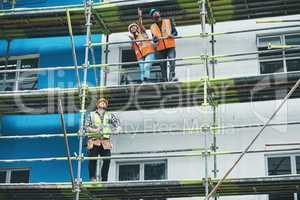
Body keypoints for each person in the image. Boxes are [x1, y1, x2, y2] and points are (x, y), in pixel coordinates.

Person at [85, 98, 121, 182]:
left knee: (107, 159)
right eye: (101, 102)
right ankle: (92, 178)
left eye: (105, 103)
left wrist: (117, 130)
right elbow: (86, 126)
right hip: (94, 140)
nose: (103, 104)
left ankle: (104, 179)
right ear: (97, 105)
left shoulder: (109, 115)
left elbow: (117, 124)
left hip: (105, 141)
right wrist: (94, 130)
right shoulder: (91, 115)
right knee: (93, 159)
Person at [149, 8, 178, 82]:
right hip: (160, 48)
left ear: (159, 13)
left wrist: (172, 35)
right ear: (152, 17)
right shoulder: (152, 27)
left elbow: (175, 33)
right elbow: (154, 39)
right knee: (162, 64)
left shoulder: (168, 21)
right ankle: (165, 79)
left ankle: (172, 77)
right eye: (153, 14)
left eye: (156, 12)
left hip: (170, 45)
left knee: (172, 60)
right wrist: (155, 39)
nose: (155, 14)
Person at [128, 8, 155, 83]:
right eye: (131, 28)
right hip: (140, 55)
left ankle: (147, 80)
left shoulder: (142, 32)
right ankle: (143, 82)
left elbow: (140, 24)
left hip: (149, 52)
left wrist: (140, 16)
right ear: (130, 31)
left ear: (137, 28)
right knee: (142, 70)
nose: (133, 28)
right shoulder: (132, 38)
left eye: (134, 27)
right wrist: (133, 39)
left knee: (146, 66)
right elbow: (132, 48)